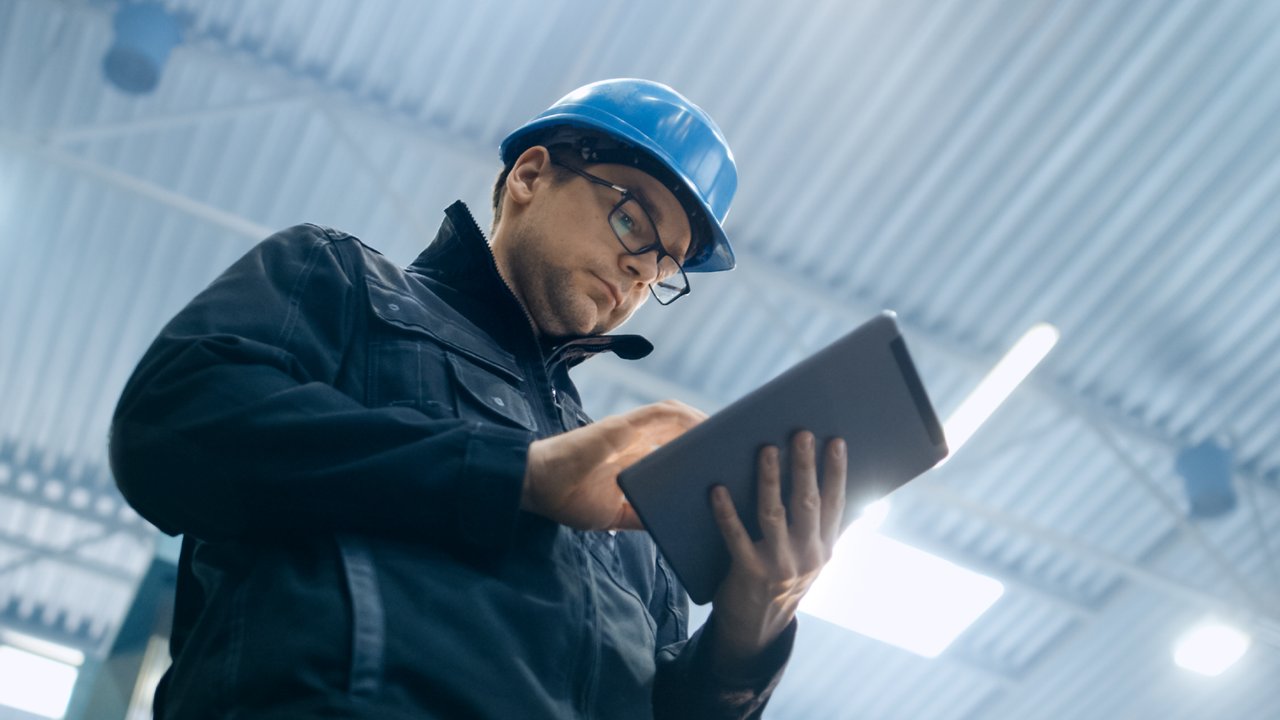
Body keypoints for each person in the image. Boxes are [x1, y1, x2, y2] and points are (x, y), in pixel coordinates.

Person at [109, 78, 848, 719]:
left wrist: (744, 642)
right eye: (632, 220)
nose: (637, 271)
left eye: (662, 267)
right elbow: (172, 425)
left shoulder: (629, 497)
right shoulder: (341, 283)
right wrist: (517, 476)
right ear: (530, 175)